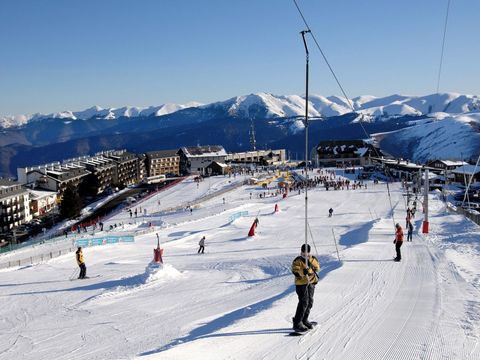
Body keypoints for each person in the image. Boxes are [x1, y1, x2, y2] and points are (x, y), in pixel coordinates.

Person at [291, 244, 320, 331]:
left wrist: (310, 270)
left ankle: (304, 320)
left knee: (310, 301)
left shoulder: (313, 259)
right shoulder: (298, 260)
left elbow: (317, 268)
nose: (305, 253)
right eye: (303, 251)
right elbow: (295, 271)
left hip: (311, 282)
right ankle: (297, 322)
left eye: (307, 251)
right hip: (301, 283)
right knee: (304, 302)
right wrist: (303, 271)